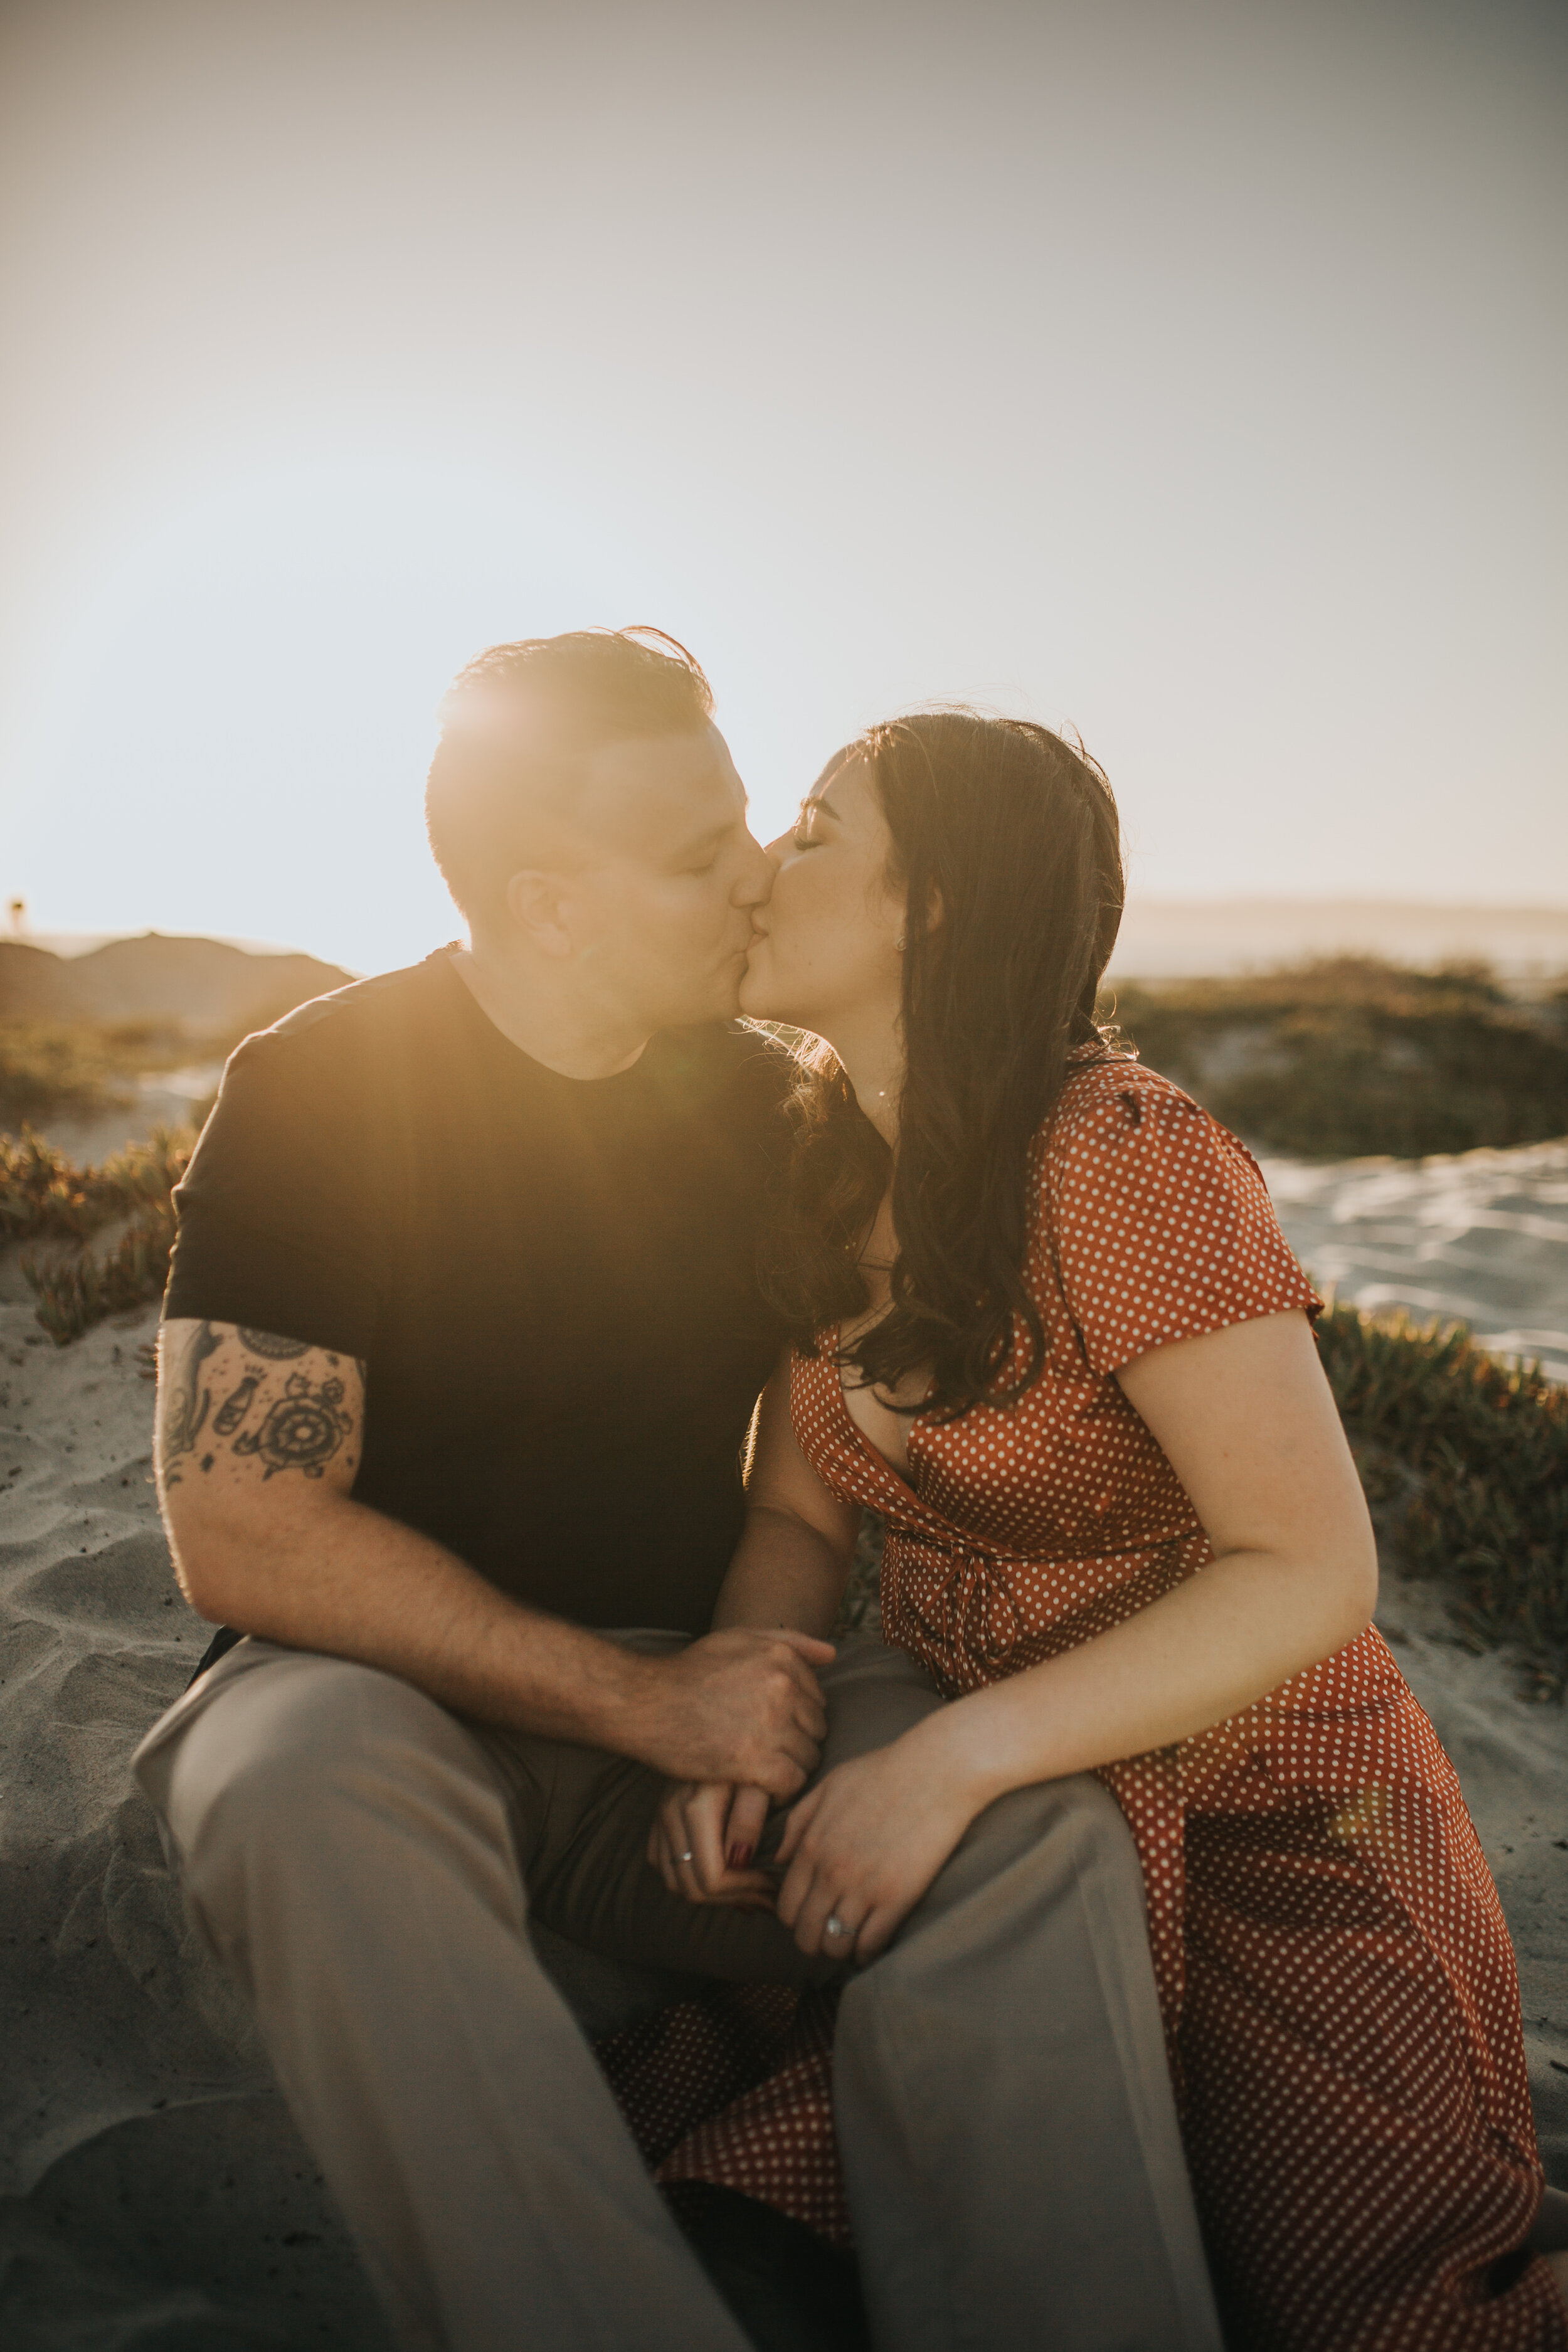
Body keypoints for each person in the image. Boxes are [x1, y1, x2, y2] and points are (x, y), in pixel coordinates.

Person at [131, 632, 1221, 2352]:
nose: (754, 879)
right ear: (550, 903)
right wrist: (643, 1702)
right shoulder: (319, 1089)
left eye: (753, 826)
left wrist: (751, 1711)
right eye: (700, 854)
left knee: (1024, 1826)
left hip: (697, 1686)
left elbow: (804, 1494)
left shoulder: (770, 1108)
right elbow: (244, 1526)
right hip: (377, 1710)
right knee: (281, 1783)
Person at [654, 707, 1568, 2351]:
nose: (759, 871)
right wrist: (744, 1682)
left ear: (923, 906)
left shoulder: (1118, 1158)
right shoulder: (815, 1155)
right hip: (1000, 1840)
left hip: (1270, 1835)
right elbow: (797, 1506)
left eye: (807, 834)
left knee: (1382, 2315)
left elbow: (1311, 1567)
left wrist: (942, 1762)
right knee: (792, 2215)